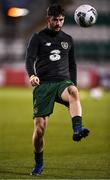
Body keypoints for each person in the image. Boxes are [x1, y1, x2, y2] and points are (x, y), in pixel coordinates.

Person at [25, 4, 90, 176]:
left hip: (62, 82)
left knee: (74, 92)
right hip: (44, 85)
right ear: (48, 19)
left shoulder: (68, 39)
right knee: (39, 129)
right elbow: (29, 59)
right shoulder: (37, 37)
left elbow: (72, 65)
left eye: (61, 20)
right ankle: (39, 163)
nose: (59, 23)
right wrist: (32, 75)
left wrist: (73, 84)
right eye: (55, 20)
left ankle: (77, 129)